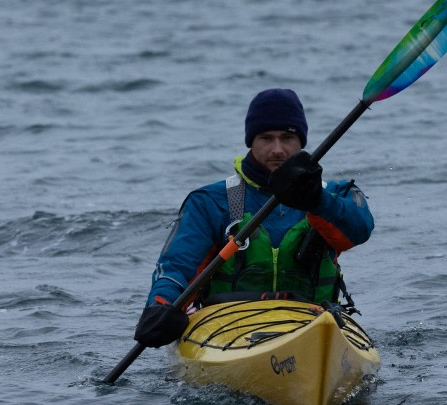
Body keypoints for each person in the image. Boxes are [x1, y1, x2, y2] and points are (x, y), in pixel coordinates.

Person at [134, 88, 374, 348]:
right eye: (266, 138)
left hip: (314, 322)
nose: (278, 149)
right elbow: (177, 267)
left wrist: (318, 201)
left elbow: (360, 230)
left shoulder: (333, 195)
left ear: (301, 142)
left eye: (287, 137)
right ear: (251, 141)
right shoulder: (212, 201)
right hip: (226, 327)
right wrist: (161, 305)